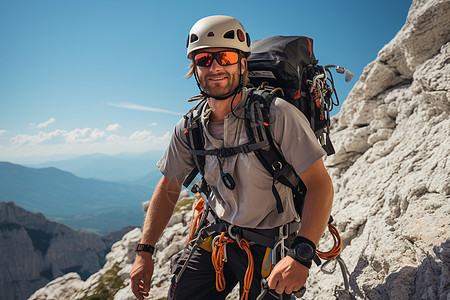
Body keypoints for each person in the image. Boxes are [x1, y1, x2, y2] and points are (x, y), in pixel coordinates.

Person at [130, 15, 333, 300]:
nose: (215, 67)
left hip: (271, 243)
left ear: (242, 63)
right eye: (203, 59)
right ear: (195, 68)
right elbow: (168, 188)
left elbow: (319, 185)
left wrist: (301, 256)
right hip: (218, 238)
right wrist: (145, 251)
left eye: (225, 57)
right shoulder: (190, 128)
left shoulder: (277, 115)